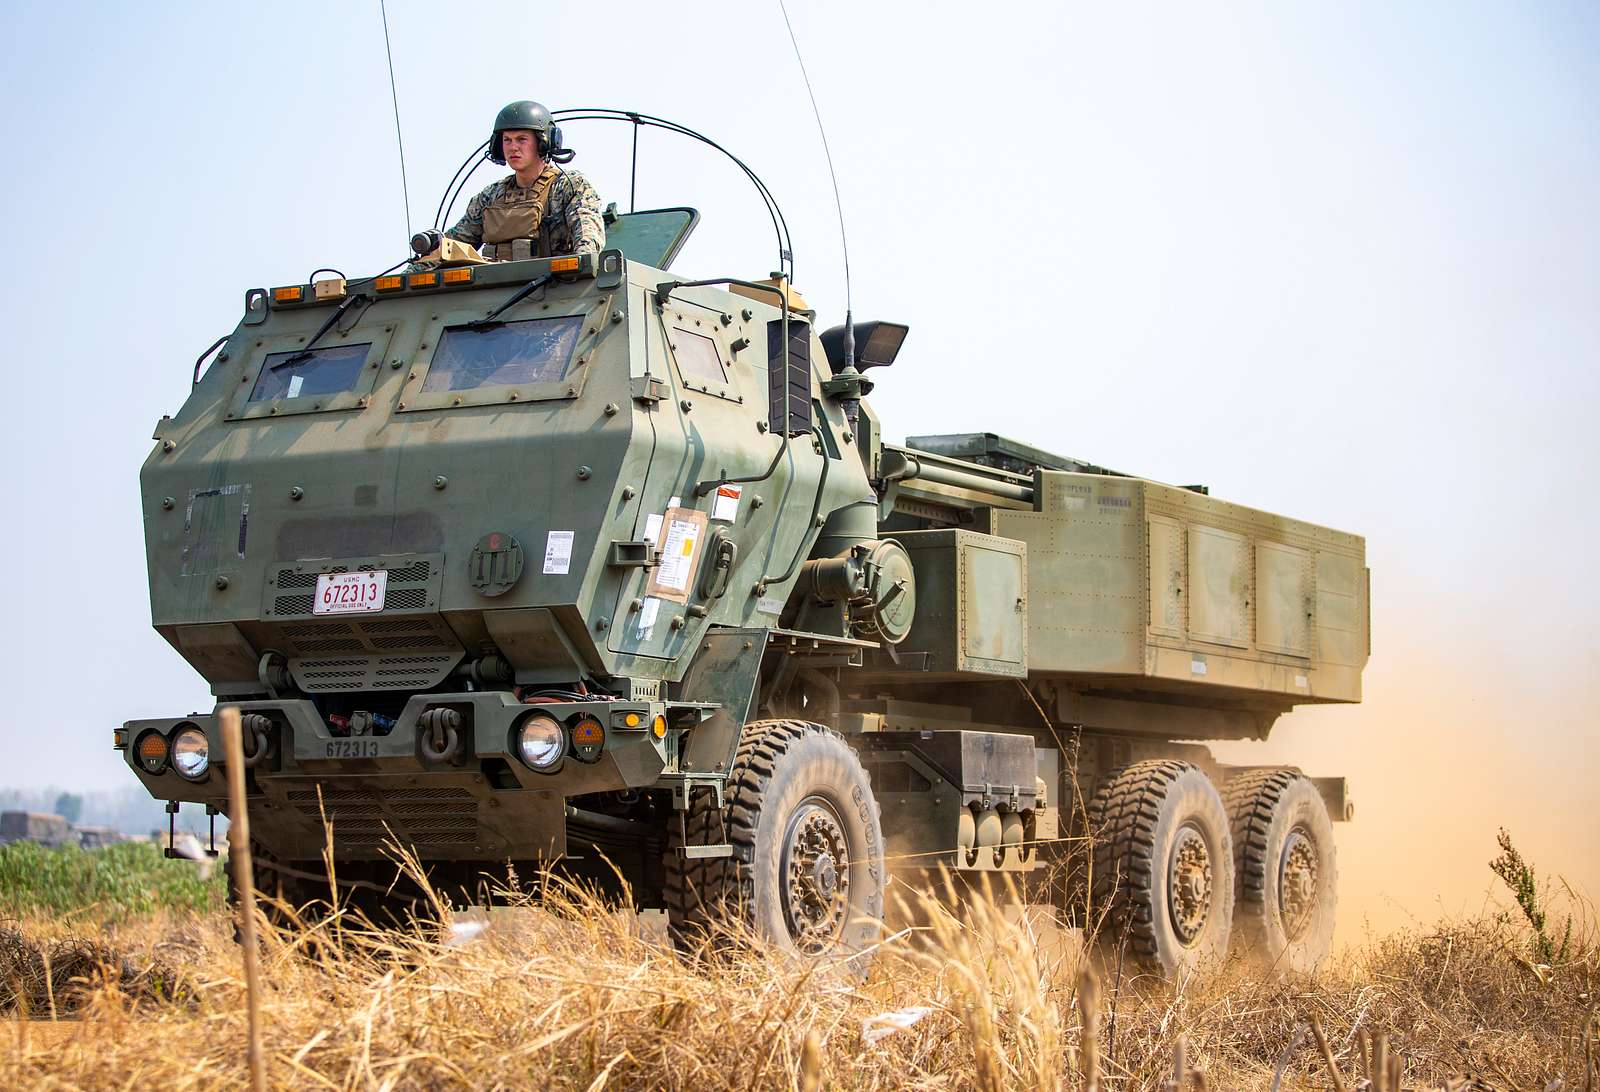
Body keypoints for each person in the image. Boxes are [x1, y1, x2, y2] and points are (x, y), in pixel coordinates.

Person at [446, 100, 606, 261]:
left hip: (556, 277)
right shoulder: (489, 197)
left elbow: (588, 242)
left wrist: (578, 266)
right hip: (497, 278)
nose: (513, 147)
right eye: (507, 140)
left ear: (543, 142)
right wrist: (433, 249)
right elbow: (452, 246)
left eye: (521, 139)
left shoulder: (569, 187)